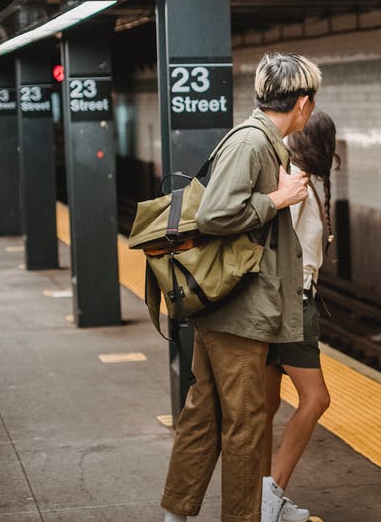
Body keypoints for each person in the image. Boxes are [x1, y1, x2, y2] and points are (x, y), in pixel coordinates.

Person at [160, 52, 321, 522]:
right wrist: (279, 198)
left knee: (204, 414)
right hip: (240, 311)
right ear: (304, 104)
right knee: (246, 426)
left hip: (232, 308)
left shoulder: (264, 142)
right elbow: (216, 215)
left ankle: (177, 515)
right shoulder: (252, 142)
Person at [261, 110, 339, 522]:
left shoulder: (296, 182)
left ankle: (254, 494)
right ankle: (269, 498)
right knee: (316, 399)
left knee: (269, 402)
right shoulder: (297, 187)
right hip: (292, 305)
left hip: (282, 306)